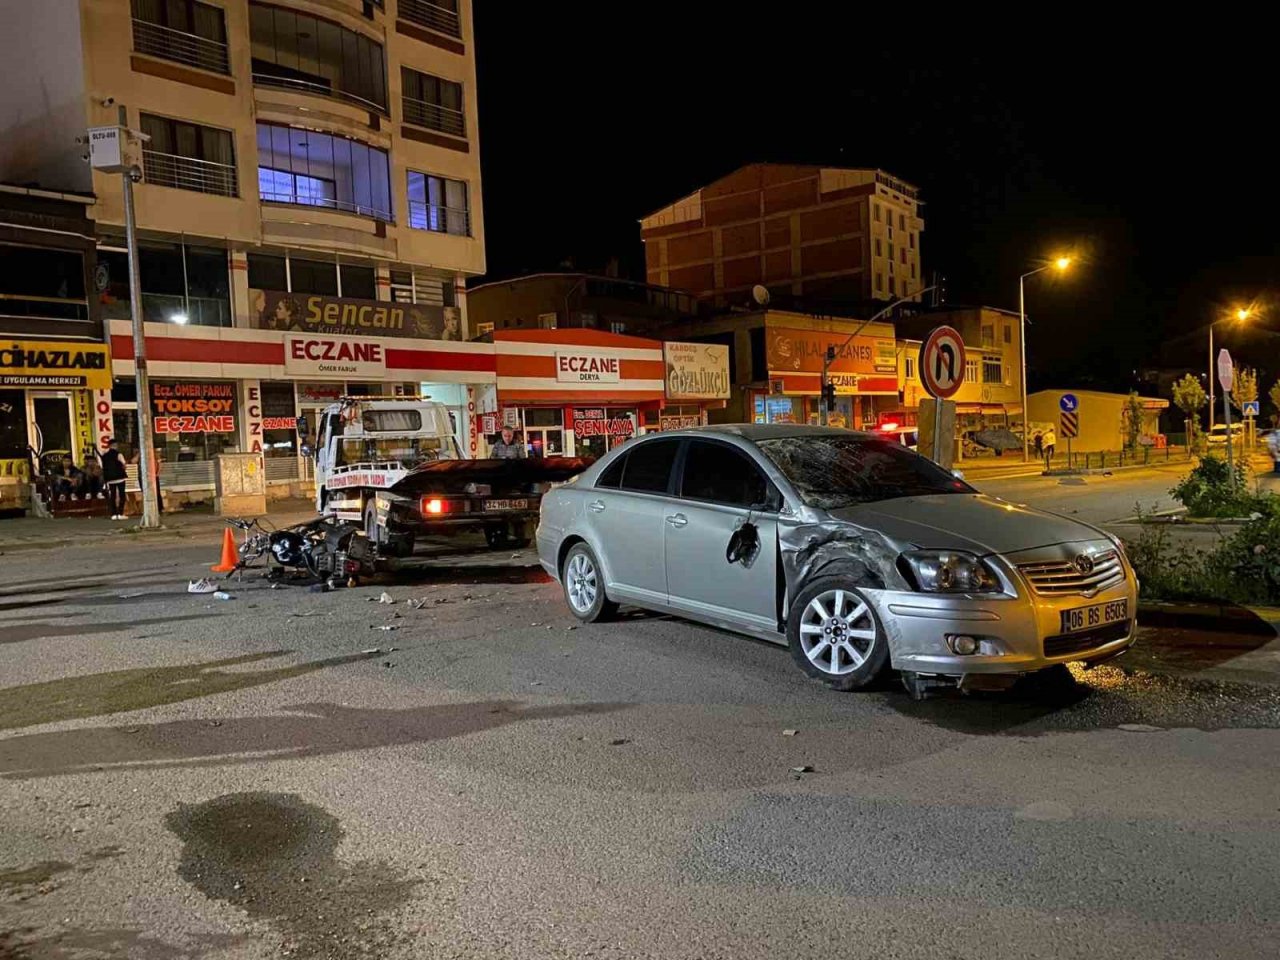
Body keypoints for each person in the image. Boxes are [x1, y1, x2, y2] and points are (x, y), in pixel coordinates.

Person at [100, 438, 127, 519]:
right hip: (120, 477)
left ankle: (114, 514)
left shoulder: (104, 455)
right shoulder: (119, 454)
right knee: (122, 495)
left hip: (110, 479)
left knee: (113, 496)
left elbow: (102, 467)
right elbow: (124, 465)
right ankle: (121, 513)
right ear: (115, 445)